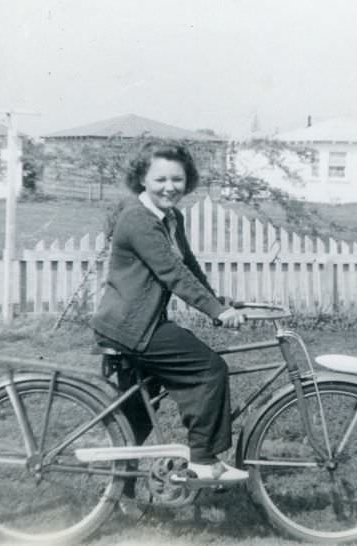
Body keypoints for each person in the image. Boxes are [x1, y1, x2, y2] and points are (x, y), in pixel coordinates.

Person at [90, 140, 248, 483]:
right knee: (210, 369)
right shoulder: (138, 219)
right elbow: (171, 274)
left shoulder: (171, 217)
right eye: (160, 179)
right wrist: (217, 312)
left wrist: (217, 305)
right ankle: (203, 459)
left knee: (141, 411)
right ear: (142, 179)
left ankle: (119, 492)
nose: (169, 187)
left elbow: (188, 267)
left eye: (177, 179)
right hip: (131, 326)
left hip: (139, 323)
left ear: (187, 180)